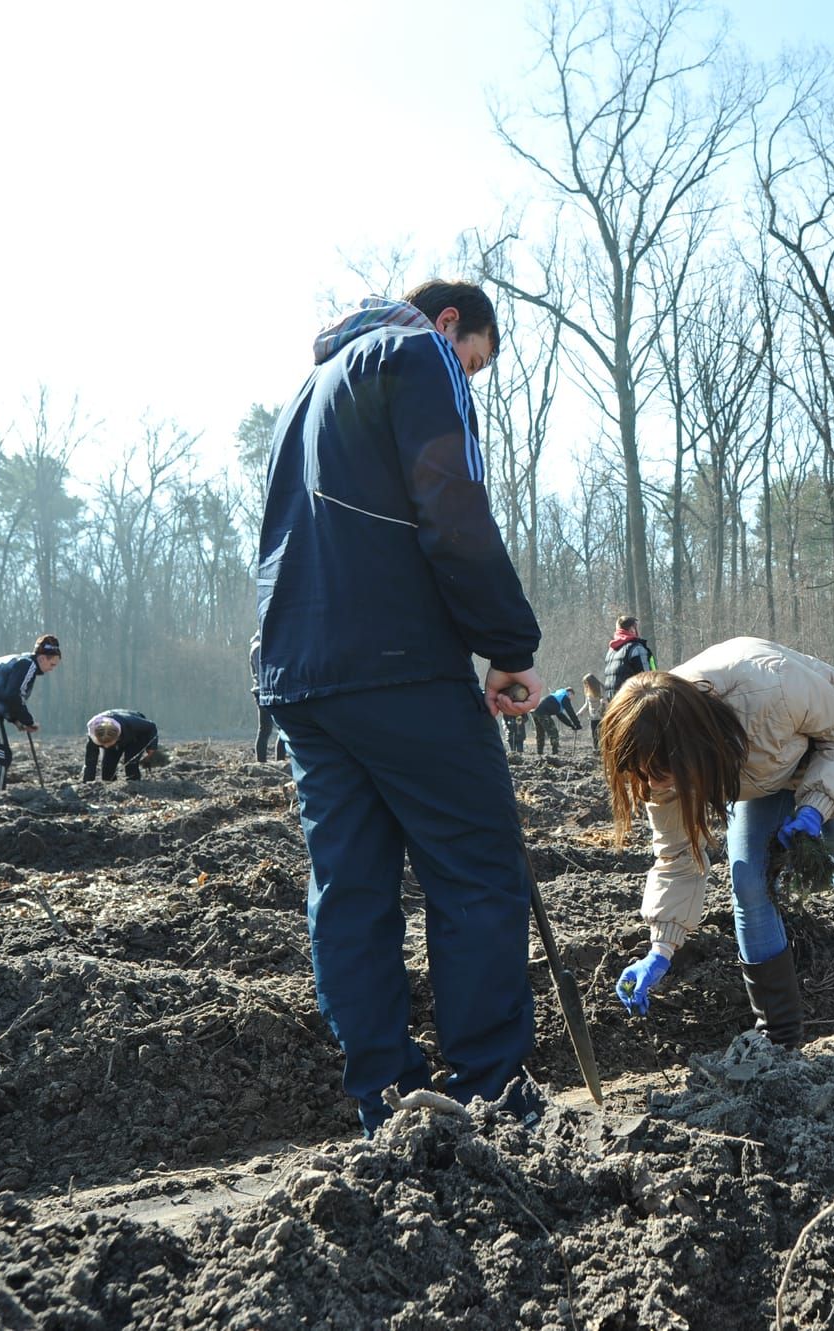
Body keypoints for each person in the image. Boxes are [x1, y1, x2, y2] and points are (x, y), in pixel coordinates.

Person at [254, 279, 545, 1133]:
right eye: (476, 359)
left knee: (350, 887)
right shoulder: (417, 350)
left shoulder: (302, 394)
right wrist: (509, 643)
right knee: (478, 866)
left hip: (299, 676)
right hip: (398, 660)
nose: (470, 374)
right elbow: (451, 505)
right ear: (451, 322)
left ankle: (383, 1096)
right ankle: (493, 1089)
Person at [602, 638, 834, 1046]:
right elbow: (677, 856)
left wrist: (816, 805)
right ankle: (778, 1040)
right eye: (641, 773)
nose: (651, 784)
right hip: (758, 769)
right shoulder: (657, 752)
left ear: (687, 749)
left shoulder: (772, 689)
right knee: (749, 889)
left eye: (659, 772)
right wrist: (660, 950)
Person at [0, 635, 62, 791]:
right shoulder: (28, 665)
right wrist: (28, 721)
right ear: (42, 658)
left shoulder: (23, 663)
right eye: (52, 664)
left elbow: (8, 697)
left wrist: (17, 721)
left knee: (2, 755)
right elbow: (13, 697)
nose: (52, 668)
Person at [83, 710, 159, 782]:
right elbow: (90, 762)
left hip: (137, 736)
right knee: (107, 767)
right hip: (117, 737)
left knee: (131, 764)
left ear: (117, 737)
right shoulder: (94, 735)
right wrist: (88, 783)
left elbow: (152, 726)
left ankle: (134, 785)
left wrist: (152, 748)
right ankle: (110, 785)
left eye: (108, 743)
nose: (105, 746)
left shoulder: (132, 723)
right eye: (102, 743)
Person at [602, 615, 657, 702]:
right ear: (632, 629)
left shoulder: (611, 651)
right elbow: (646, 678)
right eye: (636, 627)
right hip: (631, 701)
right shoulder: (636, 648)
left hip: (613, 702)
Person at [250, 632, 286, 763]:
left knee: (265, 730)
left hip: (262, 690)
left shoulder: (257, 645)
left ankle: (263, 763)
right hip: (266, 691)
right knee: (281, 728)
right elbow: (263, 673)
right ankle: (277, 762)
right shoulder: (260, 647)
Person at [531, 686, 582, 755]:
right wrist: (577, 724)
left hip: (535, 710)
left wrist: (571, 725)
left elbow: (561, 716)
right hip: (542, 712)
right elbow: (570, 712)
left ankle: (539, 752)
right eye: (572, 697)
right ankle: (555, 752)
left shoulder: (558, 696)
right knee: (554, 733)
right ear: (570, 693)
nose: (571, 700)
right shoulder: (565, 697)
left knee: (540, 733)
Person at [578, 673, 607, 752]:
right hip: (592, 716)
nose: (585, 685)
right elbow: (587, 704)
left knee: (602, 733)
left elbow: (604, 701)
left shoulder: (600, 688)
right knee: (594, 733)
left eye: (586, 683)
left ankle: (604, 749)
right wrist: (580, 712)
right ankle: (596, 748)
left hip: (601, 715)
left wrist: (599, 709)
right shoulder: (587, 691)